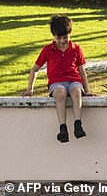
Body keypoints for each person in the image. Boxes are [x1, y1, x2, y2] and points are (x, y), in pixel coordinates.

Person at [22, 15, 93, 143]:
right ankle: (63, 128)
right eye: (58, 38)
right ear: (53, 37)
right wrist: (29, 89)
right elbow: (35, 69)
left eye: (65, 37)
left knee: (76, 91)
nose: (62, 41)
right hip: (57, 82)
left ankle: (78, 125)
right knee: (60, 93)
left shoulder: (76, 49)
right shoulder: (48, 50)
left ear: (70, 34)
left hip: (74, 81)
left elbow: (82, 71)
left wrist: (87, 90)